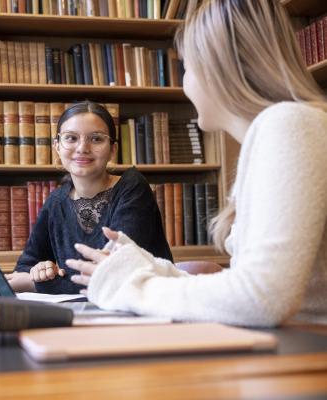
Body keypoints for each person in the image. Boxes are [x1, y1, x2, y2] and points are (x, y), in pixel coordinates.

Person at [66, 0, 327, 327]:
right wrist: (151, 268)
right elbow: (261, 288)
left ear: (216, 67)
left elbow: (262, 297)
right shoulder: (279, 131)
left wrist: (132, 286)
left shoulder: (288, 125)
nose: (185, 83)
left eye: (186, 67)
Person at [5, 101, 172, 294]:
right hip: (86, 312)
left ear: (113, 149)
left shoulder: (132, 188)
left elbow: (114, 274)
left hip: (144, 310)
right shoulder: (56, 200)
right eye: (71, 138)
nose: (83, 148)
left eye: (96, 139)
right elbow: (23, 270)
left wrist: (35, 283)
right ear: (57, 146)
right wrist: (40, 270)